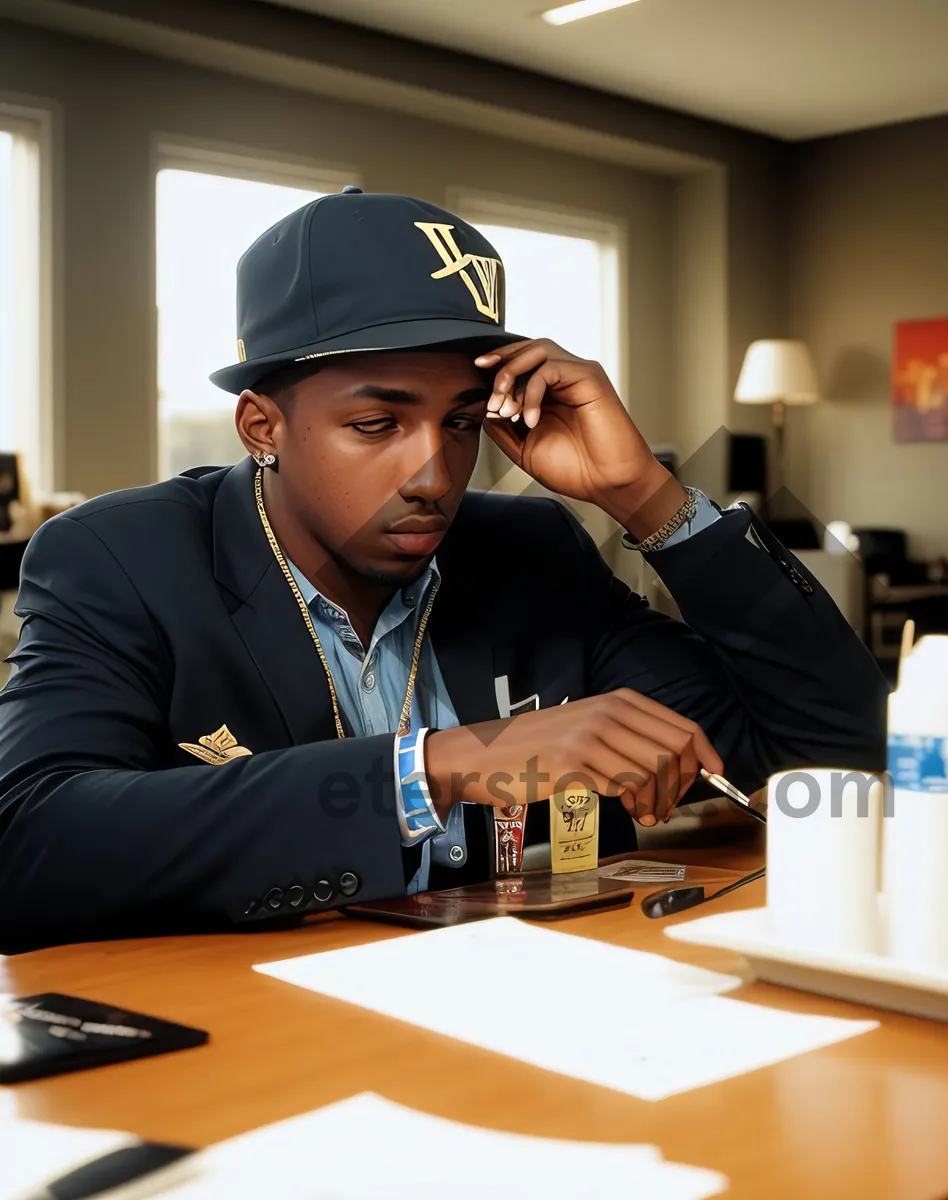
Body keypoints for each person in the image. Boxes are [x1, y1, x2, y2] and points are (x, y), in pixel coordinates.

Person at [0, 190, 886, 952]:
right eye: (377, 425)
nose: (432, 476)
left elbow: (825, 747)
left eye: (462, 423)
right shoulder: (123, 556)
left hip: (537, 1014)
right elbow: (31, 846)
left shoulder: (528, 550)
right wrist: (438, 767)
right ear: (261, 426)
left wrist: (644, 496)